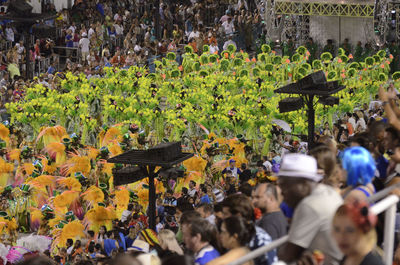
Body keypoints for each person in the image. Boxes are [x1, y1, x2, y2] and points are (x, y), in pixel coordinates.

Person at [277, 153, 343, 264]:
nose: (281, 191)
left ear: (303, 183)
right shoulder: (328, 191)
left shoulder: (309, 205)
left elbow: (286, 256)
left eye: (285, 185)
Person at [222, 194, 275, 265]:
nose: (223, 218)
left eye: (226, 214)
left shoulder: (259, 238)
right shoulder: (232, 235)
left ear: (238, 215)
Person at [332, 200, 383, 265]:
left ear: (364, 230)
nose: (341, 237)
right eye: (337, 229)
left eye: (350, 230)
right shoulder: (349, 256)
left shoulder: (373, 263)